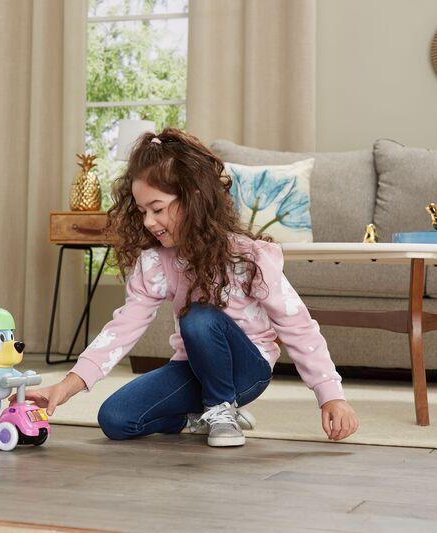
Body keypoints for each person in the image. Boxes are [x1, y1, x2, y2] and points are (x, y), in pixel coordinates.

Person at [23, 128, 358, 447]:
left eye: (157, 209)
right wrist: (66, 386)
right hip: (192, 368)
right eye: (142, 211)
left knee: (198, 316)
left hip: (246, 371)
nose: (148, 222)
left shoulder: (247, 257)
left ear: (193, 198)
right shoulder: (155, 263)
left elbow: (297, 325)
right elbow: (122, 328)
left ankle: (222, 408)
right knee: (116, 419)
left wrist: (331, 396)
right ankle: (201, 416)